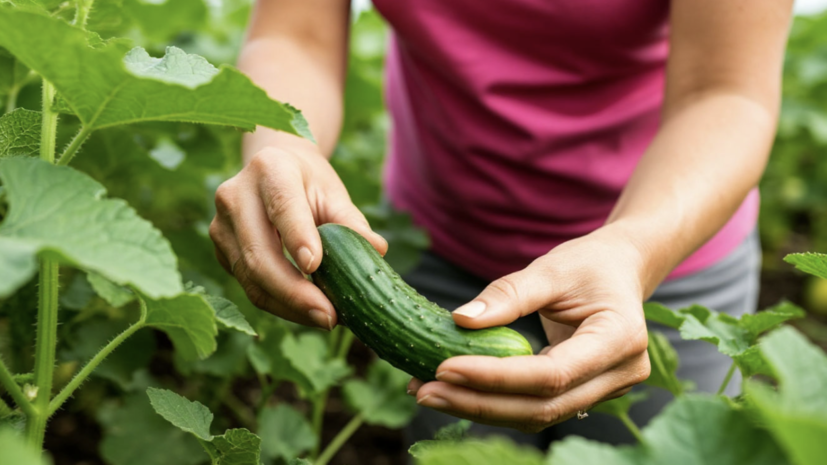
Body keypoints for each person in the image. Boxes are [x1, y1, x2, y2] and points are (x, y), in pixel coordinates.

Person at [209, 0, 793, 447]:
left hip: (667, 245)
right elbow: (296, 35)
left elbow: (724, 92)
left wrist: (634, 250)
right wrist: (288, 150)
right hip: (438, 247)